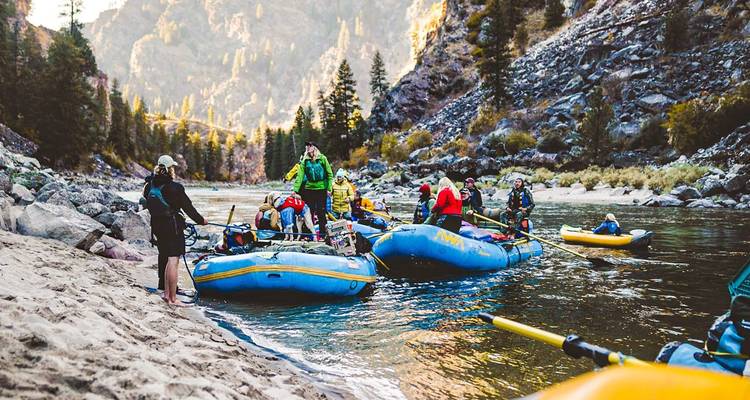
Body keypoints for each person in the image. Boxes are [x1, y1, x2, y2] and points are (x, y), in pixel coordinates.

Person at [142, 155, 207, 305]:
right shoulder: (175, 188)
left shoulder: (149, 185)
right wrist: (201, 221)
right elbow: (188, 208)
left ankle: (166, 294)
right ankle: (172, 298)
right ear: (171, 169)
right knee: (173, 260)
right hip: (172, 228)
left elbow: (146, 200)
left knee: (165, 257)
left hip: (157, 226)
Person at [293, 142, 333, 242]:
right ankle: (308, 235)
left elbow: (329, 174)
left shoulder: (322, 158)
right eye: (307, 146)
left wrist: (329, 189)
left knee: (321, 211)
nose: (308, 148)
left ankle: (323, 234)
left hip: (321, 189)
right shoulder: (305, 161)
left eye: (310, 146)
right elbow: (300, 176)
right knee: (308, 212)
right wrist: (295, 190)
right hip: (309, 189)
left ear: (314, 148)